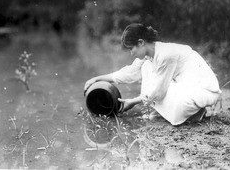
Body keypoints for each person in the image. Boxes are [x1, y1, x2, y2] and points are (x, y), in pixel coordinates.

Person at [84, 23, 221, 126]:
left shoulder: (165, 55)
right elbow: (130, 73)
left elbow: (159, 92)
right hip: (186, 86)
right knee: (146, 68)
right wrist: (97, 78)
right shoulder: (149, 55)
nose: (131, 53)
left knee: (168, 103)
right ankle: (179, 111)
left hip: (201, 90)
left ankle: (197, 112)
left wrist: (133, 102)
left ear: (141, 43)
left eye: (132, 49)